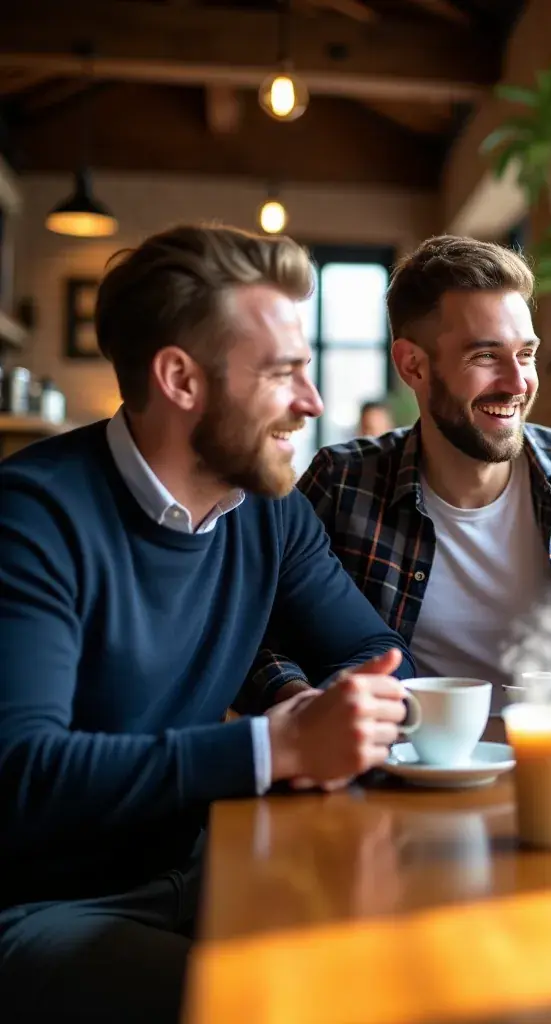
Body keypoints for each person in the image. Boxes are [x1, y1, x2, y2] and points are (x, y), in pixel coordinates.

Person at [0, 224, 416, 1023]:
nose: (314, 401)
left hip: (208, 865)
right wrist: (275, 745)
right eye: (284, 372)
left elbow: (371, 651)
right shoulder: (34, 517)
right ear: (181, 378)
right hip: (43, 908)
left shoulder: (270, 512)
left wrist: (322, 706)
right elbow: (24, 773)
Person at [242, 235, 551, 710]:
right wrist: (305, 705)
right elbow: (247, 633)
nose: (518, 383)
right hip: (399, 770)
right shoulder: (343, 482)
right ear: (413, 365)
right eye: (486, 356)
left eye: (526, 354)